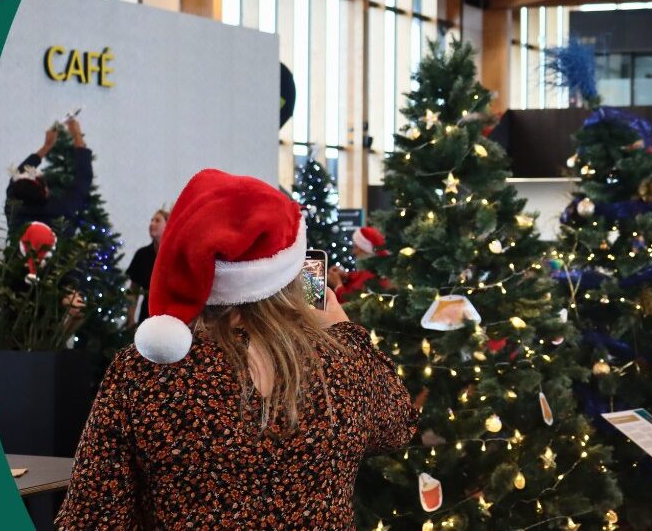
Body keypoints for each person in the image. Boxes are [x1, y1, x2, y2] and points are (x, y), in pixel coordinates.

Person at [56, 169, 417, 530]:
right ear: (290, 270)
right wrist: (342, 328)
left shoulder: (144, 369)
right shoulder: (341, 363)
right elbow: (398, 424)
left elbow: (92, 516)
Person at [4, 118, 93, 237]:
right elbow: (84, 177)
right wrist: (77, 135)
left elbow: (16, 178)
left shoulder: (13, 209)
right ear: (45, 191)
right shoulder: (62, 209)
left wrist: (46, 146)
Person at [125, 209, 169, 329]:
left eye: (157, 221)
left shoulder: (174, 255)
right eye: (151, 220)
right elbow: (133, 290)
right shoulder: (142, 254)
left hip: (170, 319)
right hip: (145, 318)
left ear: (168, 226)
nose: (152, 223)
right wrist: (130, 318)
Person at [328, 226, 389, 304]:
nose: (354, 252)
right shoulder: (371, 270)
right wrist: (346, 275)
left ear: (367, 250)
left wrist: (338, 285)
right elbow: (360, 276)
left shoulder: (375, 277)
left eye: (356, 247)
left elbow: (352, 305)